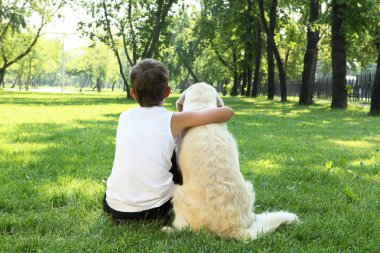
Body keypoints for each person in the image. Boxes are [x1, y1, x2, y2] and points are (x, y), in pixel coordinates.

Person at [103, 58, 234, 223]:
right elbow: (227, 112)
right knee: (178, 159)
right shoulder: (173, 120)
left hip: (114, 207)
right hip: (155, 210)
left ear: (133, 93)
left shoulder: (124, 117)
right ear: (167, 92)